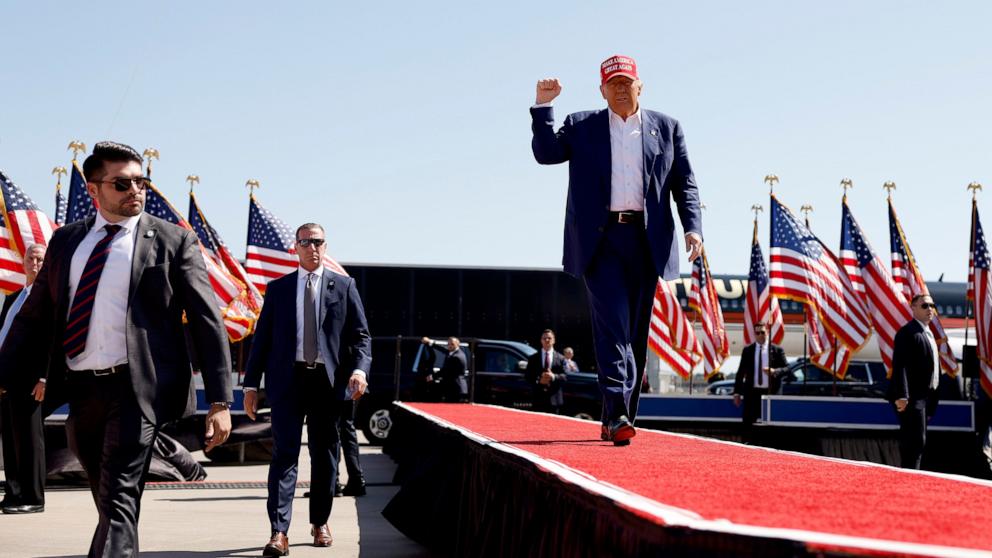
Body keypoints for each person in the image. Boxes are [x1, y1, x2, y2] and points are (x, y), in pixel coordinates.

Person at [0, 141, 232, 557]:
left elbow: (205, 320)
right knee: (110, 500)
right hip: (81, 391)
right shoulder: (67, 242)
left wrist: (219, 400)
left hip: (137, 390)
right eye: (122, 183)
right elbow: (34, 316)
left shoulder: (172, 241)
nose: (135, 191)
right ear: (94, 189)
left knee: (120, 494)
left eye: (141, 181)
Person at [531, 55, 703, 445]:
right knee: (614, 326)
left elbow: (685, 184)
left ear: (641, 86)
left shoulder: (667, 128)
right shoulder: (582, 125)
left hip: (647, 242)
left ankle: (617, 417)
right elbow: (546, 154)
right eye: (614, 83)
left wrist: (694, 229)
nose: (621, 88)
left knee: (635, 335)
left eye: (627, 82)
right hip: (601, 240)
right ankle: (619, 411)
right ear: (602, 90)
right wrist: (544, 106)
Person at [244, 222, 371, 555]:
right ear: (295, 248)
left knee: (325, 456)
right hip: (288, 382)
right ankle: (279, 531)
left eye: (318, 242)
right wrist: (250, 385)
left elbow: (361, 337)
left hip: (327, 385)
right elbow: (262, 341)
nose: (312, 247)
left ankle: (320, 521)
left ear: (325, 247)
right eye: (305, 242)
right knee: (284, 455)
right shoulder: (279, 289)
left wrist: (359, 370)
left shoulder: (344, 287)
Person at [0, 244, 48, 514]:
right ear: (23, 262)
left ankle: (33, 497)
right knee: (11, 441)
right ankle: (14, 493)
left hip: (31, 381)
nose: (35, 263)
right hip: (7, 379)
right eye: (31, 258)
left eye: (41, 259)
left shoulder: (49, 297)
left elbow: (53, 341)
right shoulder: (13, 298)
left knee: (30, 441)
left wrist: (45, 376)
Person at [887, 294, 941, 469]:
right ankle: (909, 476)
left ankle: (911, 474)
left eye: (932, 306)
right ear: (913, 308)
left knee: (919, 441)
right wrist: (902, 395)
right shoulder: (907, 332)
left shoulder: (928, 333)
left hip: (925, 397)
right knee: (915, 440)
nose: (930, 310)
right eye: (925, 306)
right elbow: (899, 364)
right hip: (912, 397)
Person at [733, 322, 788, 436]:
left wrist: (775, 371)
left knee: (772, 428)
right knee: (749, 425)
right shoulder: (748, 350)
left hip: (770, 393)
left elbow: (787, 369)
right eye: (757, 333)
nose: (760, 335)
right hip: (752, 394)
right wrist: (737, 393)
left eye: (762, 332)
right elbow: (740, 372)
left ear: (767, 332)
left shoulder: (777, 350)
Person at [525, 329, 568, 414]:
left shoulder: (561, 358)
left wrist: (553, 376)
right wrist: (538, 380)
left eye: (549, 338)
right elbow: (528, 376)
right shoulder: (533, 358)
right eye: (544, 338)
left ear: (554, 340)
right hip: (538, 399)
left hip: (555, 401)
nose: (547, 340)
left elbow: (565, 376)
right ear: (541, 341)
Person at [421, 336, 468, 402]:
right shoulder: (454, 352)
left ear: (458, 344)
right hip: (454, 388)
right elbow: (443, 349)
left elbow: (446, 371)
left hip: (456, 389)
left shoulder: (456, 356)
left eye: (452, 344)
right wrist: (430, 342)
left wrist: (432, 377)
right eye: (448, 344)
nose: (449, 346)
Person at [335, 400, 366, 497]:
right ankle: (357, 480)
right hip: (349, 389)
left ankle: (332, 482)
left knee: (332, 428)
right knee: (347, 427)